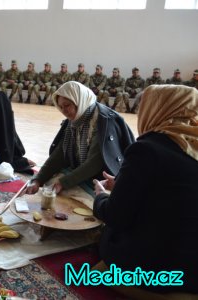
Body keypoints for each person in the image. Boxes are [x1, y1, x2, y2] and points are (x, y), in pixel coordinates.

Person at [93, 85, 198, 294]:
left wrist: (101, 197)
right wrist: (122, 184)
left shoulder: (147, 148)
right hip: (192, 261)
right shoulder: (191, 144)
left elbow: (116, 216)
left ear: (157, 109)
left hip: (161, 265)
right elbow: (172, 190)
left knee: (100, 236)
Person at [26, 81, 135, 195]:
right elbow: (59, 154)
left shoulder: (102, 120)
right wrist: (38, 179)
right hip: (84, 172)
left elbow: (94, 163)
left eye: (67, 105)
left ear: (79, 100)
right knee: (50, 186)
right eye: (61, 107)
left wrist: (63, 183)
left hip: (104, 179)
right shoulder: (76, 118)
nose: (64, 111)